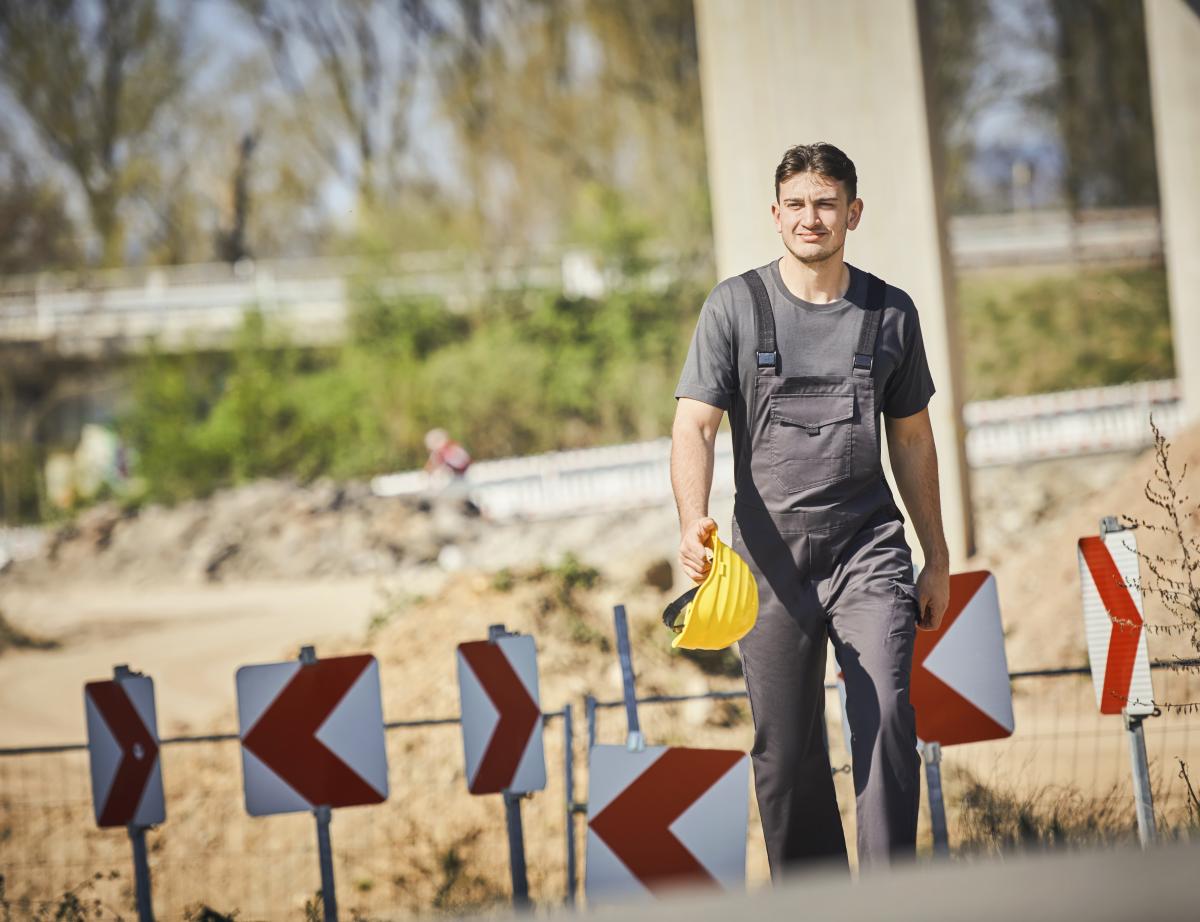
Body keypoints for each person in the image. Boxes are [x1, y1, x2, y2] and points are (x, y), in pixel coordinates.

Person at [670, 142, 950, 875]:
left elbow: (914, 440)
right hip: (767, 564)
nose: (810, 218)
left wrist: (938, 556)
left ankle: (890, 896)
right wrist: (691, 519)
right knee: (785, 750)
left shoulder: (891, 313)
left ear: (853, 212)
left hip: (869, 551)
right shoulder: (735, 307)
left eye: (825, 203)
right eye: (795, 204)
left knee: (888, 713)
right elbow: (694, 424)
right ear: (775, 214)